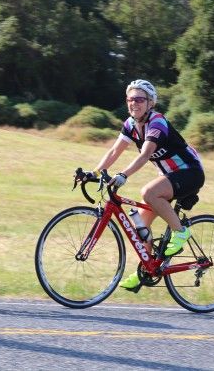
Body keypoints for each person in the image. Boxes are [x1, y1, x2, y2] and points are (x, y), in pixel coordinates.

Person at [87, 79, 205, 291]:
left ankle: (181, 232)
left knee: (148, 192)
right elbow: (114, 151)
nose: (134, 103)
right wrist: (94, 172)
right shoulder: (131, 124)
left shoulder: (157, 122)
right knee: (139, 224)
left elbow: (145, 155)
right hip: (169, 176)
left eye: (140, 99)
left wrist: (124, 174)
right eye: (130, 99)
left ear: (151, 103)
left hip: (190, 172)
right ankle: (147, 268)